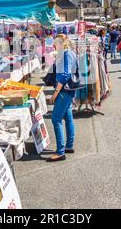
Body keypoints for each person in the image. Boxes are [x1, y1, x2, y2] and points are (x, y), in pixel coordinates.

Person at [48, 34, 77, 162]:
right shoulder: (68, 52)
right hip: (68, 90)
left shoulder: (66, 53)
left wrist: (55, 93)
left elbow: (65, 75)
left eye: (55, 43)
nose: (54, 46)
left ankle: (60, 151)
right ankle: (69, 146)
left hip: (64, 90)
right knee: (68, 117)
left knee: (56, 119)